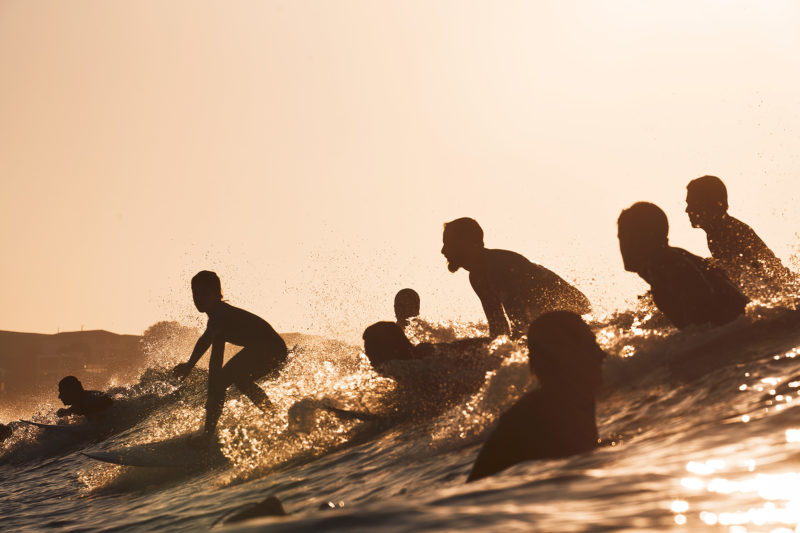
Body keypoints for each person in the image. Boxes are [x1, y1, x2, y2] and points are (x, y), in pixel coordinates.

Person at [467, 311, 604, 482]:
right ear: (565, 355)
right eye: (591, 346)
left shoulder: (566, 403)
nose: (601, 354)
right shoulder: (550, 413)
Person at [173, 271, 288, 439]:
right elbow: (205, 340)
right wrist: (190, 364)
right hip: (264, 348)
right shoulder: (215, 317)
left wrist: (212, 392)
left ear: (217, 294)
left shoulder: (221, 317)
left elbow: (216, 359)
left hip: (271, 348)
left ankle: (207, 435)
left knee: (222, 382)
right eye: (195, 293)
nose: (198, 298)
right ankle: (275, 416)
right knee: (240, 380)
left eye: (204, 293)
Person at [441, 218, 591, 339]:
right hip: (552, 321)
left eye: (448, 244)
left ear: (467, 244)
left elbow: (519, 321)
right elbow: (498, 328)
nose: (443, 251)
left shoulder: (496, 265)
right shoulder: (476, 277)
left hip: (572, 312)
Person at [618, 202, 748, 329]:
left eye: (622, 237)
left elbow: (704, 322)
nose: (622, 245)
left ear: (638, 239)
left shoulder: (663, 263)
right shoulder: (671, 259)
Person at [686, 175, 792, 292]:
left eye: (693, 203)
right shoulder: (717, 230)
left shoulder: (728, 231)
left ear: (711, 204)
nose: (687, 209)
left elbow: (750, 273)